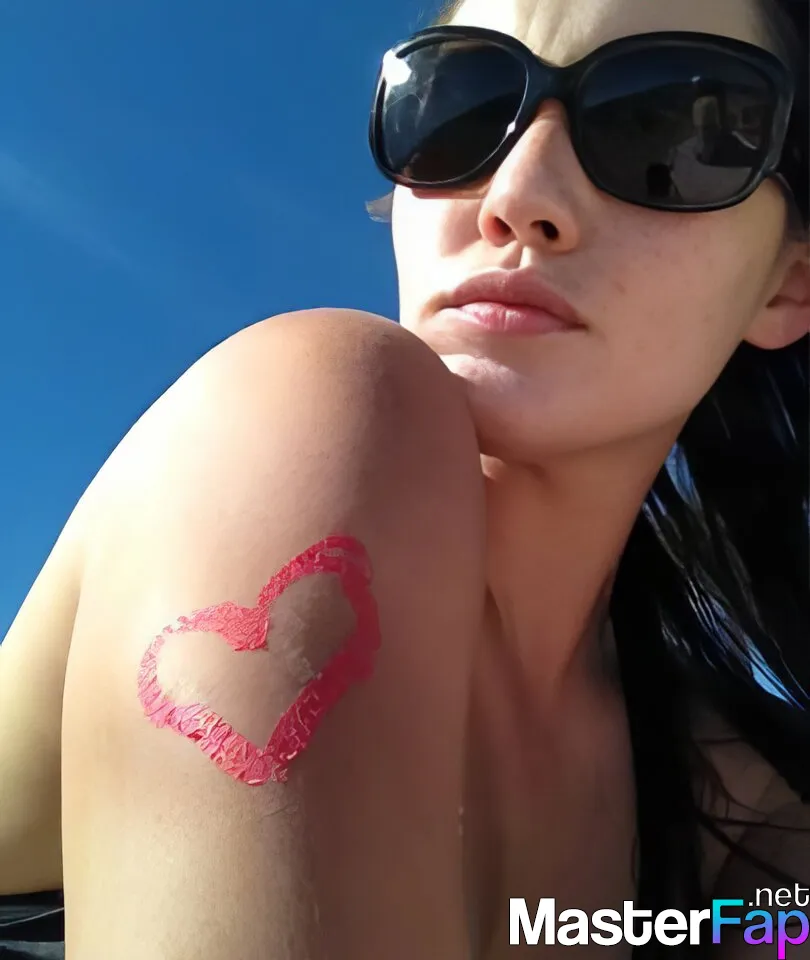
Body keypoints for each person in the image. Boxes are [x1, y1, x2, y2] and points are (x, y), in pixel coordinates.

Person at [0, 0, 807, 956]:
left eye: (664, 127)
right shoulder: (313, 407)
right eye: (460, 106)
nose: (518, 194)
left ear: (788, 283)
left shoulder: (747, 811)